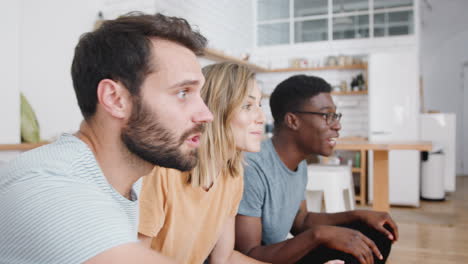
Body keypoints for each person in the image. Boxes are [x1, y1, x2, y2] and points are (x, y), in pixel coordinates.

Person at [0, 13, 213, 264]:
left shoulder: (125, 181)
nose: (206, 114)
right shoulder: (49, 186)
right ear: (115, 99)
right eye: (182, 93)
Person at [235, 75, 398, 264]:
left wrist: (357, 214)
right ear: (293, 121)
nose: (337, 125)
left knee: (377, 233)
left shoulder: (300, 163)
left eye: (335, 116)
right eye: (326, 115)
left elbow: (301, 221)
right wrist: (319, 235)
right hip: (262, 260)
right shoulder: (253, 169)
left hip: (282, 253)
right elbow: (248, 255)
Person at [138, 62, 269, 264]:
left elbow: (224, 259)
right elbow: (135, 258)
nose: (261, 117)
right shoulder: (161, 172)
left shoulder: (232, 177)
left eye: (260, 105)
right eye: (247, 106)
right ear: (213, 110)